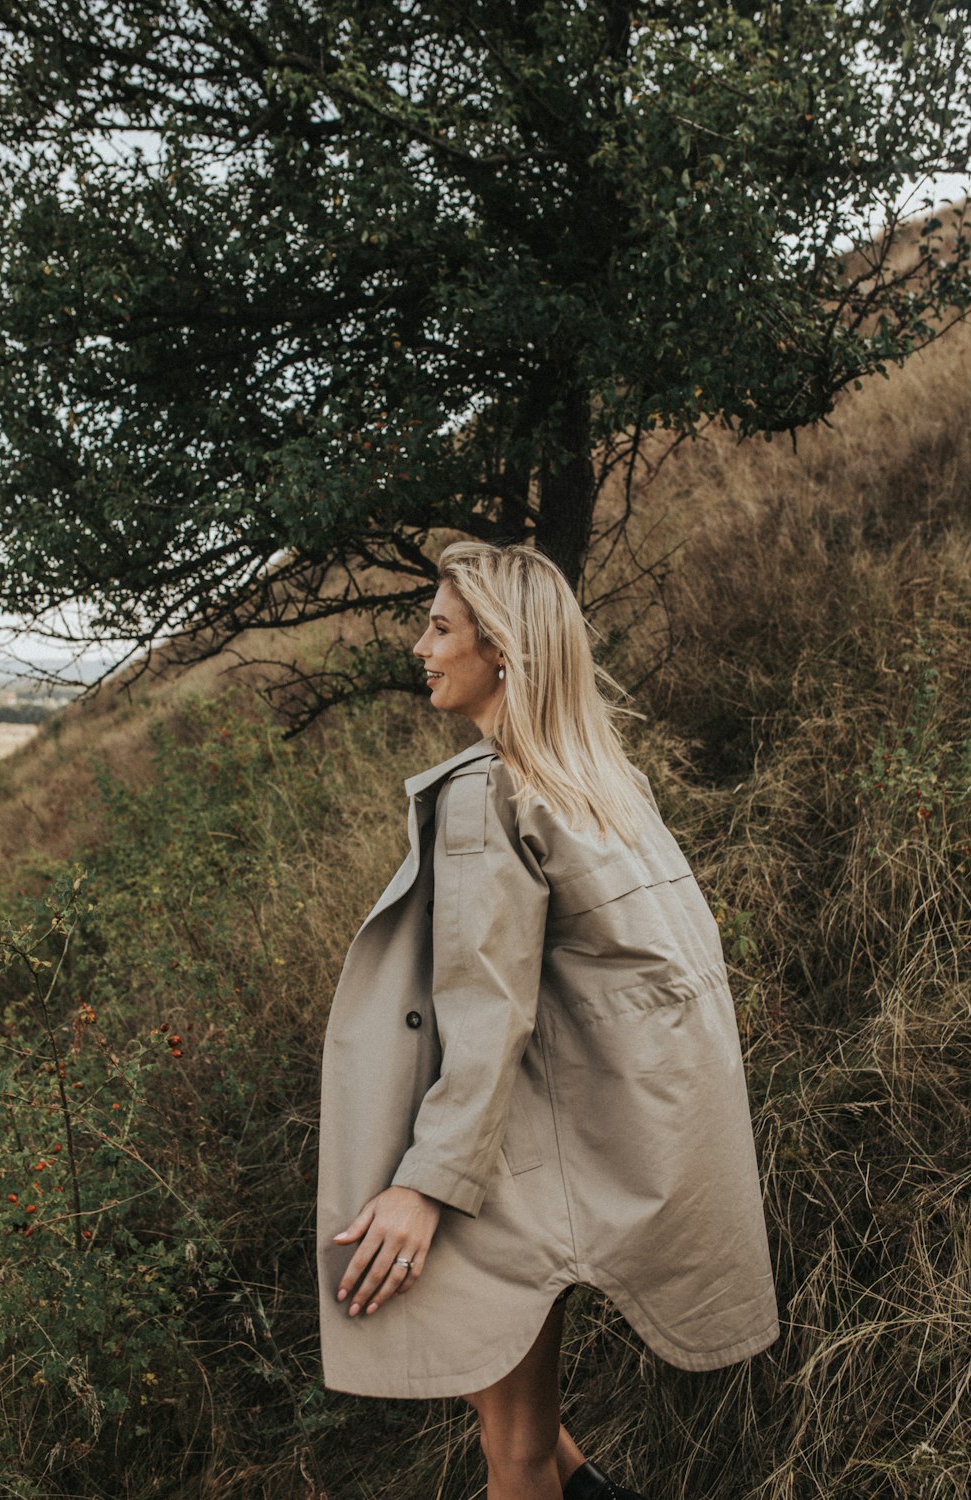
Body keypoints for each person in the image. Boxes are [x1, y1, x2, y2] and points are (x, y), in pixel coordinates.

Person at [317, 541, 779, 1500]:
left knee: (512, 1444)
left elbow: (491, 1011)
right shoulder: (602, 780)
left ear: (507, 652)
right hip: (609, 1133)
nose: (419, 646)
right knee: (480, 1369)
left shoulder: (493, 793)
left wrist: (426, 1186)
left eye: (441, 627)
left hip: (530, 1156)